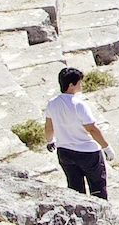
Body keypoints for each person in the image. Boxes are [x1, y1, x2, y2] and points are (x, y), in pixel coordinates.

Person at [44, 67, 111, 199]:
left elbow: (48, 128)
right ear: (71, 85)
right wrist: (106, 147)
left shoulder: (52, 104)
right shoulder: (79, 105)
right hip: (88, 153)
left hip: (65, 152)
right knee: (97, 188)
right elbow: (92, 129)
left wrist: (50, 141)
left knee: (75, 189)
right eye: (79, 82)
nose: (82, 84)